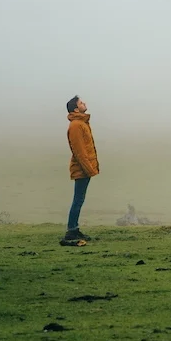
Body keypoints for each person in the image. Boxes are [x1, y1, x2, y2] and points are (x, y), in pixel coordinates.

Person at [62, 95, 99, 245]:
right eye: (81, 103)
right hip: (82, 169)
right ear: (76, 109)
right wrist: (89, 169)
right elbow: (80, 151)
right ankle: (72, 230)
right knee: (78, 199)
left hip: (84, 168)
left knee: (79, 199)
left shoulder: (81, 123)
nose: (85, 103)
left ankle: (74, 229)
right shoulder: (76, 125)